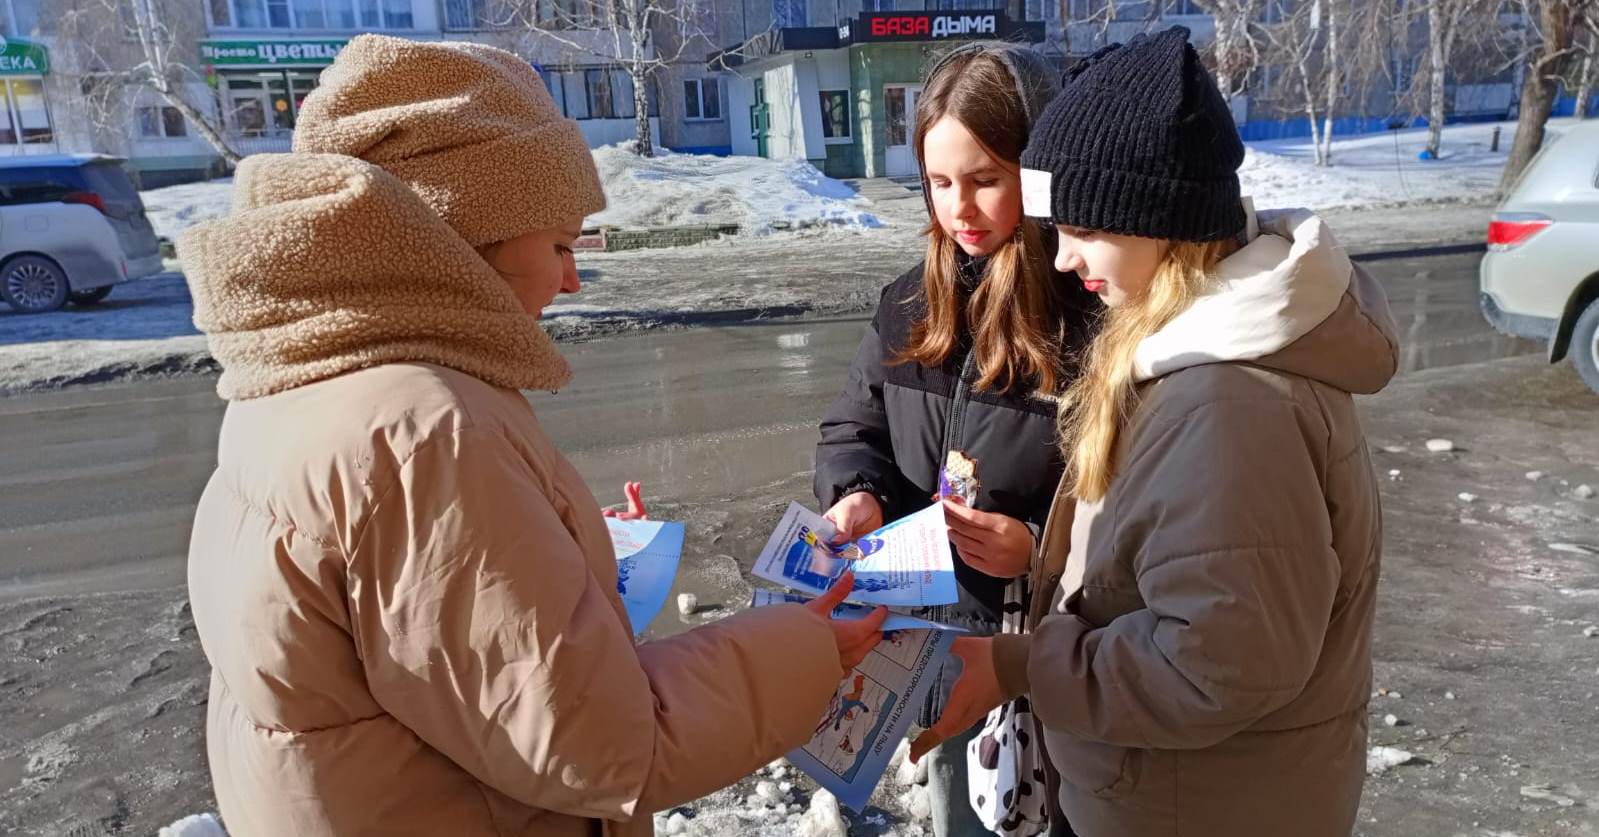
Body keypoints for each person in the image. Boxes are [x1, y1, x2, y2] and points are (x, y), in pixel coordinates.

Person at [178, 34, 885, 836]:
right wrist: (805, 649)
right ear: (456, 239)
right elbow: (600, 745)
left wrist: (557, 557)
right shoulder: (428, 430)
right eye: (557, 243)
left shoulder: (306, 371)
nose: (573, 278)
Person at [911, 27, 1399, 837]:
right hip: (1189, 790)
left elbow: (1218, 663)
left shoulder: (1230, 403)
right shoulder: (1194, 351)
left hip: (1202, 805)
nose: (1061, 260)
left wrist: (1019, 662)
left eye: (1082, 230)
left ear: (1157, 220)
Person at [814, 42, 1099, 837]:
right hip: (935, 645)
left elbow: (1127, 503)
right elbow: (853, 426)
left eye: (983, 180)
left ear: (1035, 175)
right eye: (940, 183)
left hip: (1056, 653)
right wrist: (857, 496)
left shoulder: (1088, 318)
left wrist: (1036, 546)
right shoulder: (908, 302)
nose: (959, 208)